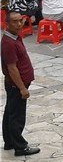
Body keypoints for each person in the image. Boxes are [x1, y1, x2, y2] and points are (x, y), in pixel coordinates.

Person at [2, 11, 40, 157]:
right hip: (16, 85)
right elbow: (12, 68)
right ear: (7, 24)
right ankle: (20, 146)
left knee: (10, 112)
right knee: (17, 116)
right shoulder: (8, 43)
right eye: (15, 22)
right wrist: (22, 88)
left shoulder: (16, 37)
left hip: (17, 84)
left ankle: (10, 142)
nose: (19, 24)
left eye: (20, 21)